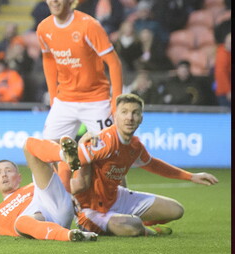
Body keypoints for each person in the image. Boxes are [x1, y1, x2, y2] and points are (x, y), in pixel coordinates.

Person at [67, 93, 219, 236]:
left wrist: (191, 176)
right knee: (132, 227)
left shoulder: (135, 146)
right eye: (124, 112)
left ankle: (140, 225)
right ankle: (146, 230)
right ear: (115, 116)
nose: (130, 118)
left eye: (135, 113)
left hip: (116, 197)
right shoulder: (105, 141)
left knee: (176, 210)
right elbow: (71, 161)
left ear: (141, 118)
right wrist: (69, 195)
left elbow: (153, 164)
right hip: (92, 210)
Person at [36, 0, 124, 143]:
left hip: (96, 100)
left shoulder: (89, 26)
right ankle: (65, 170)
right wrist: (54, 97)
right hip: (65, 100)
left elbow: (114, 63)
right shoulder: (43, 28)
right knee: (47, 152)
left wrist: (116, 101)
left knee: (109, 153)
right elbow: (48, 60)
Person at [214, 30, 231, 107]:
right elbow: (221, 73)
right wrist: (228, 91)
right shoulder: (222, 55)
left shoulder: (228, 54)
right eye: (229, 43)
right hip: (225, 92)